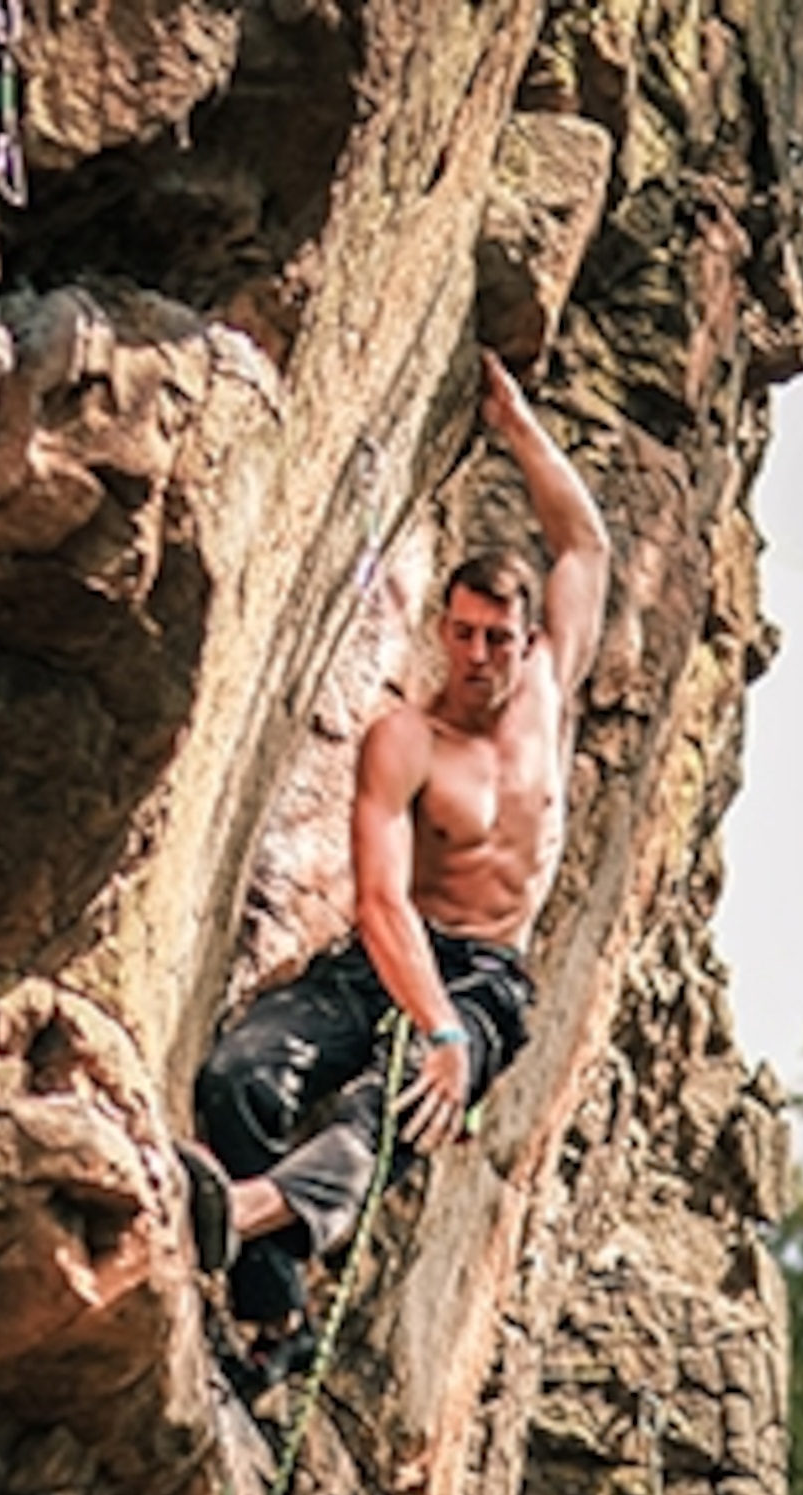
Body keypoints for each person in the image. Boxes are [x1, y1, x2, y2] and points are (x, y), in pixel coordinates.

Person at [184, 350, 612, 1392]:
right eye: (461, 634)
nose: (478, 655)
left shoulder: (549, 692)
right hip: (394, 952)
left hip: (489, 978)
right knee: (240, 1077)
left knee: (394, 1109)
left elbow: (584, 544)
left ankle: (240, 1212)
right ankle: (276, 1324)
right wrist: (434, 1024)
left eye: (497, 638)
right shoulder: (406, 740)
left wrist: (518, 426)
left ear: (527, 640)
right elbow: (380, 898)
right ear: (441, 630)